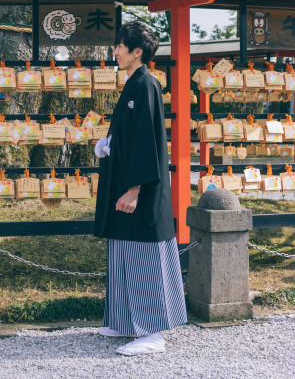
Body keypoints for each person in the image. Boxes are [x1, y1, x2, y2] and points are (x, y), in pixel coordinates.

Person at [93, 22, 187, 356]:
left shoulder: (147, 84)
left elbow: (147, 142)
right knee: (123, 251)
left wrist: (134, 189)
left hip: (141, 190)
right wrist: (109, 144)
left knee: (144, 255)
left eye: (120, 46)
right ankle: (125, 320)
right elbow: (130, 136)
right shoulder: (135, 83)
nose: (115, 51)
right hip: (126, 181)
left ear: (137, 51)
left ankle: (152, 332)